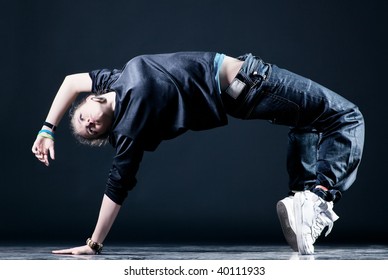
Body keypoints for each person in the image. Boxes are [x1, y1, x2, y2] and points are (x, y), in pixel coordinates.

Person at [31, 52, 364, 255]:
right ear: (107, 131)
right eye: (91, 130)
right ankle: (318, 196)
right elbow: (117, 185)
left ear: (90, 99)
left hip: (247, 82)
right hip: (252, 82)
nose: (87, 123)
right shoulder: (130, 124)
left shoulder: (113, 80)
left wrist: (48, 129)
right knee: (347, 116)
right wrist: (94, 244)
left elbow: (70, 82)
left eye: (80, 117)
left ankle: (302, 199)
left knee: (309, 123)